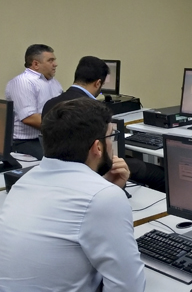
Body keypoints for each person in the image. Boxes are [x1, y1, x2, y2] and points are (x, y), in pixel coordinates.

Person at [0, 98, 146, 291]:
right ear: (98, 147)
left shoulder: (26, 181)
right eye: (111, 136)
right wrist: (107, 191)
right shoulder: (102, 197)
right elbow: (129, 287)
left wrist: (106, 186)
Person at [42, 56, 166, 192]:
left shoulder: (51, 104)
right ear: (98, 83)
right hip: (90, 167)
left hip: (61, 171)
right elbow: (101, 153)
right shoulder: (93, 110)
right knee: (158, 173)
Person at [4, 44, 63, 159]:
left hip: (49, 137)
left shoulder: (53, 82)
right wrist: (62, 127)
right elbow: (29, 118)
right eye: (50, 60)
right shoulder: (22, 82)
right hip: (25, 142)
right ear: (36, 64)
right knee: (55, 161)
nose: (55, 64)